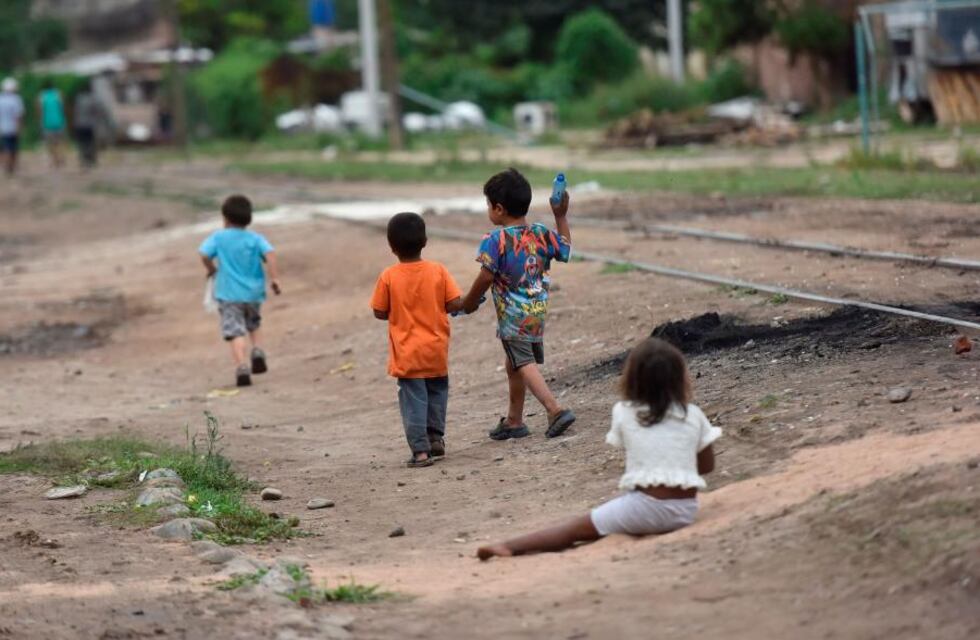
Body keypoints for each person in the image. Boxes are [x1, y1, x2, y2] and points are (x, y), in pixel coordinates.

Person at [477, 338, 721, 559]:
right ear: (680, 378)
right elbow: (707, 466)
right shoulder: (694, 414)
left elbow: (637, 452)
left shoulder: (624, 412)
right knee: (615, 513)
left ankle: (510, 546)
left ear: (632, 379)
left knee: (573, 529)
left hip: (644, 509)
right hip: (686, 510)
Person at [460, 168, 576, 441]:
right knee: (514, 363)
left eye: (488, 205)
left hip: (514, 318)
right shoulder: (541, 233)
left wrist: (468, 302)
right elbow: (566, 251)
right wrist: (560, 216)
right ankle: (514, 421)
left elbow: (486, 276)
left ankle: (555, 410)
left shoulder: (495, 241)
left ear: (498, 209)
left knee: (522, 362)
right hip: (536, 314)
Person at [371, 212, 465, 468]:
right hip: (435, 350)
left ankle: (420, 452)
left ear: (392, 247)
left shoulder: (389, 276)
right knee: (437, 395)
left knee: (414, 401)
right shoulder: (438, 271)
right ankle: (436, 439)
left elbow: (379, 311)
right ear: (425, 241)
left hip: (407, 353)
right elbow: (454, 303)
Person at [199, 195, 281, 388]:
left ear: (225, 218)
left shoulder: (218, 238)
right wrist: (275, 278)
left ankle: (242, 366)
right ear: (248, 218)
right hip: (253, 293)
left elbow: (203, 253)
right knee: (254, 323)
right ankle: (258, 350)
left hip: (228, 294)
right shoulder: (255, 238)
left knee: (235, 331)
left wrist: (211, 269)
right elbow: (270, 253)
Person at [37, 80, 67, 168]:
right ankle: (60, 157)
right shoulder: (58, 94)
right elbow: (63, 108)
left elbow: (39, 110)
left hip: (47, 122)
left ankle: (54, 159)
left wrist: (40, 121)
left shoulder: (42, 96)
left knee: (50, 143)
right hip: (59, 121)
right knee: (60, 142)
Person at [73, 84, 102, 168]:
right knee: (90, 143)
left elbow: (75, 112)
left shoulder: (78, 99)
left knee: (82, 143)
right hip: (90, 125)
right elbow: (97, 111)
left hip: (79, 124)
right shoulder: (93, 98)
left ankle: (83, 160)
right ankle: (91, 160)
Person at [0, 78, 25, 176]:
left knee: (5, 147)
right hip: (13, 128)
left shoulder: (1, 99)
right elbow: (18, 116)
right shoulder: (16, 99)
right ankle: (11, 166)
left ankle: (7, 166)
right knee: (13, 148)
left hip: (2, 128)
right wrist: (20, 128)